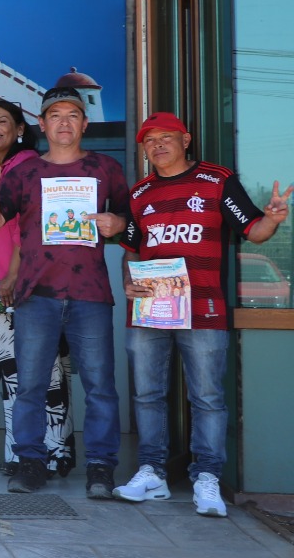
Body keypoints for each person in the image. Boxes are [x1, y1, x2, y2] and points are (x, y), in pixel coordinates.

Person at [114, 112, 289, 516]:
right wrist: (128, 281)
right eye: (149, 140)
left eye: (166, 137)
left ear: (186, 139)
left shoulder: (217, 180)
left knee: (207, 398)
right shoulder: (139, 193)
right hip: (151, 310)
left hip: (204, 310)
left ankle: (206, 477)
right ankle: (152, 472)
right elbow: (131, 251)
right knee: (146, 395)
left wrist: (273, 219)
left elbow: (254, 231)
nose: (157, 145)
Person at [0, 85, 130, 497]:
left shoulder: (106, 167)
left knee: (99, 387)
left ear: (85, 123)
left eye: (72, 115)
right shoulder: (24, 172)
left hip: (90, 294)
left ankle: (101, 468)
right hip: (36, 295)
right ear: (41, 124)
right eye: (55, 115)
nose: (64, 122)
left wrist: (117, 223)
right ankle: (30, 463)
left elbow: (130, 221)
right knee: (30, 386)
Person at [0, 100, 74, 476]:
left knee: (44, 368)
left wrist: (13, 275)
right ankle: (21, 453)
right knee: (14, 372)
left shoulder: (27, 165)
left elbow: (25, 229)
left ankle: (56, 451)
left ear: (19, 129)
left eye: (3, 121)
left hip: (26, 278)